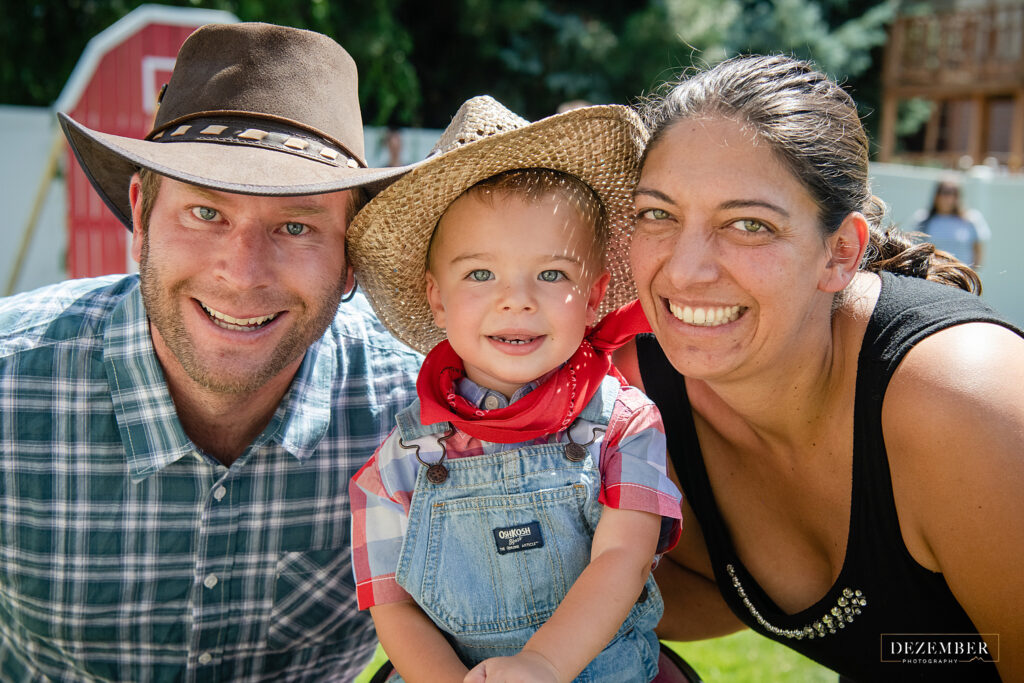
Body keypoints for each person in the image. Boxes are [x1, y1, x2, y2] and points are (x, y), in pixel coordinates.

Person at [0, 23, 422, 681]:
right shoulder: (8, 386)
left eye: (295, 225)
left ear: (351, 259)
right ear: (141, 218)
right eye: (206, 213)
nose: (243, 272)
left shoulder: (421, 417)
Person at [615, 55, 1023, 682]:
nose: (683, 269)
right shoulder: (638, 391)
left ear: (840, 253)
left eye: (748, 225)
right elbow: (712, 591)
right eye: (657, 214)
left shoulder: (963, 400)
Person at [347, 96, 682, 682]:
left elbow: (622, 557)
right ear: (436, 297)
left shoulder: (624, 424)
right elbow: (393, 604)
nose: (517, 299)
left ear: (595, 296)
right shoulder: (400, 460)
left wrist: (542, 664)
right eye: (480, 274)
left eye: (553, 274)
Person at [912, 176, 991, 268]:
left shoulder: (971, 220)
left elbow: (978, 252)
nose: (948, 197)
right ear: (936, 195)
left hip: (961, 277)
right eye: (944, 192)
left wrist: (969, 274)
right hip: (932, 277)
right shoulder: (923, 219)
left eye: (953, 193)